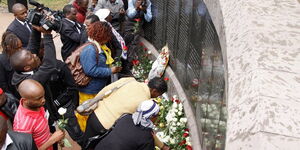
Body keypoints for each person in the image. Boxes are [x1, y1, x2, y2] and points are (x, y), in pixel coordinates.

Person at [82, 77, 168, 149]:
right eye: (159, 94)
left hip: (95, 114)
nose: (157, 96)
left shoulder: (130, 80)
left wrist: (93, 103)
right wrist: (162, 146)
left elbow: (106, 90)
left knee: (85, 143)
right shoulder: (144, 103)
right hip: (105, 127)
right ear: (154, 91)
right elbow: (144, 128)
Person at [76, 21, 122, 132]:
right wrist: (110, 70)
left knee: (93, 111)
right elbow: (90, 70)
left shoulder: (98, 46)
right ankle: (84, 134)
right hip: (89, 89)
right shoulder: (90, 50)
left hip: (96, 87)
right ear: (102, 35)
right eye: (108, 35)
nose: (109, 38)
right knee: (85, 112)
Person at [13, 79, 65, 150]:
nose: (43, 100)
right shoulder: (22, 126)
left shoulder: (36, 105)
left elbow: (40, 131)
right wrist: (52, 140)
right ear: (25, 100)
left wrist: (53, 136)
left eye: (43, 96)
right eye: (39, 98)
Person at [0, 31, 22, 97]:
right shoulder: (1, 60)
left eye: (21, 47)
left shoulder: (20, 56)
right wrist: (12, 98)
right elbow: (3, 84)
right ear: (9, 47)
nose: (20, 50)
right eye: (17, 48)